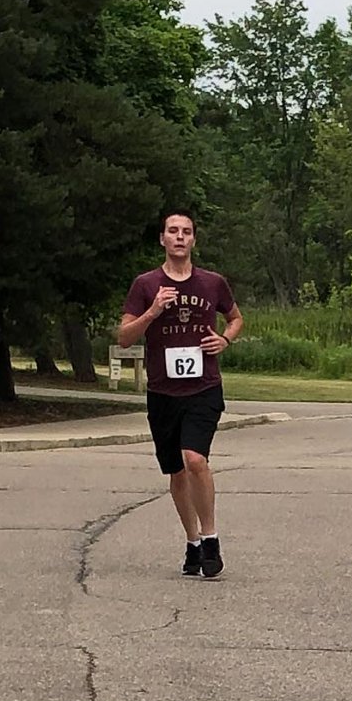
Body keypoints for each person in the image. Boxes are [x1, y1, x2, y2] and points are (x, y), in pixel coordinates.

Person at [117, 210, 243, 575]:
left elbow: (236, 318)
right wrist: (153, 312)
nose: (179, 237)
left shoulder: (212, 283)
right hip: (163, 391)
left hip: (204, 387)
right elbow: (124, 338)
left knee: (195, 459)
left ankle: (211, 538)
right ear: (162, 239)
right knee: (176, 471)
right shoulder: (145, 285)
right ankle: (192, 542)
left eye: (186, 232)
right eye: (173, 231)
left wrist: (225, 339)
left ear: (193, 240)